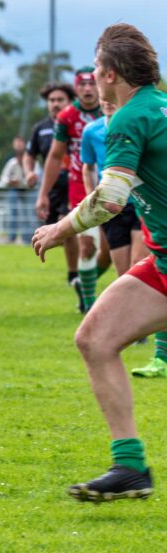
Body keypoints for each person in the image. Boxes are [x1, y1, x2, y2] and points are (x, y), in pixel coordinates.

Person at [32, 23, 166, 502]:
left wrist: (58, 229)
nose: (91, 77)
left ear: (109, 74)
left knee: (95, 338)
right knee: (94, 337)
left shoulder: (129, 118)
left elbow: (110, 198)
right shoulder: (158, 106)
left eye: (95, 68)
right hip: (162, 263)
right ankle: (130, 467)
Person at [79, 98, 157, 377]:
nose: (109, 104)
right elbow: (87, 166)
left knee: (139, 261)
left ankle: (142, 329)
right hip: (111, 206)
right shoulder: (92, 131)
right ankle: (122, 317)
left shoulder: (135, 123)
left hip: (138, 204)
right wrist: (92, 197)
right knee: (123, 272)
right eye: (105, 101)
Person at [37, 69, 110, 313]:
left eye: (92, 84)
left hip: (110, 185)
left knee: (108, 252)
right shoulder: (67, 116)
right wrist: (43, 193)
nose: (88, 89)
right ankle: (89, 305)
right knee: (87, 245)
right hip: (79, 187)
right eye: (83, 85)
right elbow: (55, 156)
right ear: (76, 89)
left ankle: (84, 282)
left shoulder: (111, 109)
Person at [24, 83, 83, 306]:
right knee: (58, 232)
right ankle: (76, 272)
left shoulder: (78, 124)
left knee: (69, 227)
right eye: (52, 100)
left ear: (69, 101)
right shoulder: (41, 128)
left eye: (60, 100)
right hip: (52, 188)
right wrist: (29, 172)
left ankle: (75, 273)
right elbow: (29, 155)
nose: (56, 104)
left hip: (75, 185)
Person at [0, 137, 29, 243]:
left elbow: (35, 177)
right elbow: (3, 177)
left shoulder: (31, 162)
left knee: (27, 215)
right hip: (13, 191)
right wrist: (10, 181)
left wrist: (20, 182)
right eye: (17, 143)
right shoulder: (11, 162)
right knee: (12, 215)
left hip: (28, 191)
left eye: (20, 143)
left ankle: (28, 239)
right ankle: (11, 238)